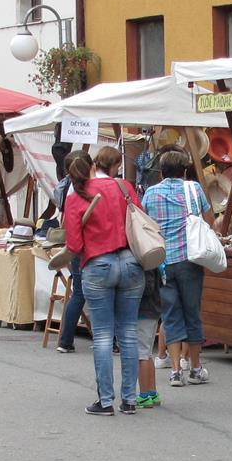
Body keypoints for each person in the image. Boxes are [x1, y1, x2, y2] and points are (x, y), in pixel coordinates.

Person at [63, 146, 145, 416]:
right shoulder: (124, 187)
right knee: (128, 333)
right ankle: (130, 399)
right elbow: (140, 221)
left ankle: (106, 401)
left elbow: (75, 245)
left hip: (98, 263)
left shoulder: (76, 196)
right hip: (131, 262)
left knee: (102, 335)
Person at [143, 150, 215, 386]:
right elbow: (210, 221)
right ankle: (195, 368)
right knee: (192, 312)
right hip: (190, 260)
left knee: (170, 314)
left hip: (162, 262)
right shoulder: (194, 189)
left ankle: (175, 371)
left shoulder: (151, 193)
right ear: (184, 171)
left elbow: (144, 224)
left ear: (161, 172)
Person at [52, 149, 91, 353]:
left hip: (75, 245)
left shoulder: (66, 189)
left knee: (78, 293)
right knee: (102, 294)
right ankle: (111, 340)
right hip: (93, 246)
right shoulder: (91, 189)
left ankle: (65, 340)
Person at [135, 266, 164, 408]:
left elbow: (147, 287)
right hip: (152, 310)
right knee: (147, 353)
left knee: (141, 355)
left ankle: (144, 396)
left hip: (144, 311)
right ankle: (152, 393)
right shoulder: (155, 261)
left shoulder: (146, 264)